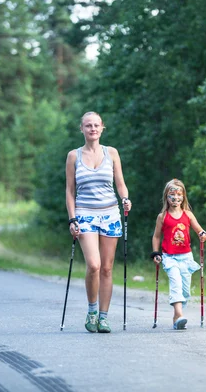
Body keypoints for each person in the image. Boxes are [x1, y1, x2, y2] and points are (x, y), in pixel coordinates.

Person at [65, 111, 132, 333]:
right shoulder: (73, 156)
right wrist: (72, 219)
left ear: (102, 128)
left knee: (107, 268)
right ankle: (92, 310)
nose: (92, 129)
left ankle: (103, 317)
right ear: (81, 129)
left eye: (96, 125)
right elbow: (70, 191)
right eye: (88, 125)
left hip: (111, 214)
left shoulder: (111, 153)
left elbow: (120, 183)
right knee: (93, 265)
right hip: (85, 214)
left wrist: (125, 198)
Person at [151, 179, 206, 330]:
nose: (176, 198)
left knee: (185, 290)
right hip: (169, 257)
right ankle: (179, 314)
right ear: (166, 197)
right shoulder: (162, 217)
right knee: (175, 283)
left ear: (183, 196)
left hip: (186, 256)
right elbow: (156, 236)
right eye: (172, 195)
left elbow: (199, 230)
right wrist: (156, 253)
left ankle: (176, 317)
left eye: (179, 194)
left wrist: (202, 234)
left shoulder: (188, 215)